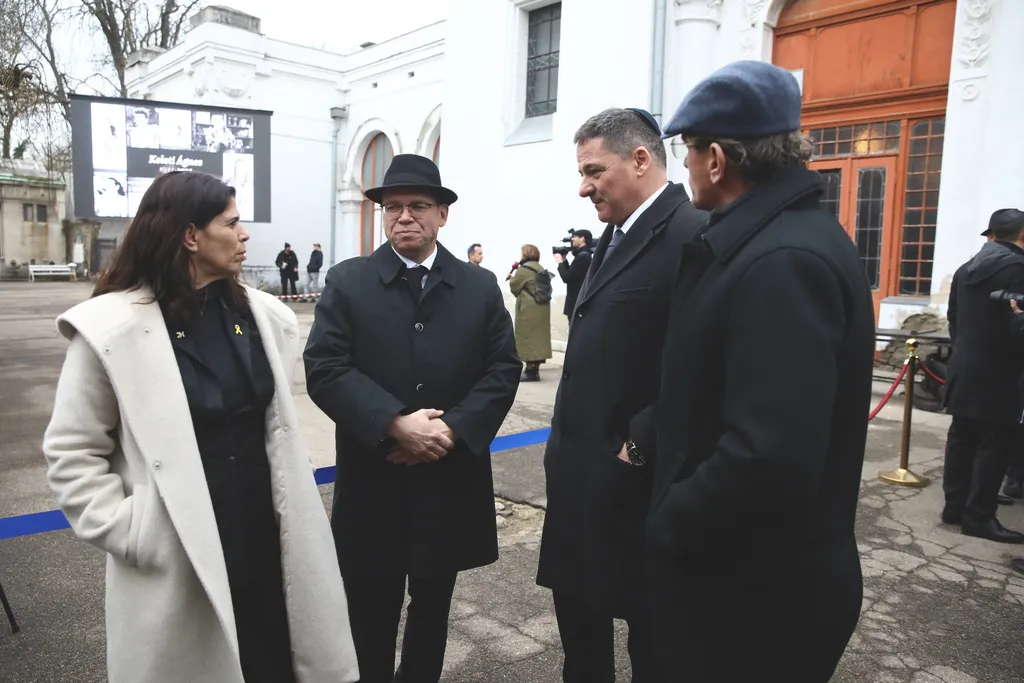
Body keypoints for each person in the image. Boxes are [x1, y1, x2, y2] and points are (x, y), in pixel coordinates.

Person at [41, 171, 358, 683]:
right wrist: (135, 531)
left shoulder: (264, 317)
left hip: (268, 534)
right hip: (180, 547)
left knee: (275, 660)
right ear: (191, 236)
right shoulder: (111, 330)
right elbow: (72, 453)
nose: (245, 234)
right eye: (232, 223)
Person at [641, 61, 876, 681]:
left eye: (688, 152)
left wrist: (670, 519)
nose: (686, 166)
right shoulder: (768, 239)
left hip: (752, 598)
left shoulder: (783, 259)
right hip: (744, 580)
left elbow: (769, 455)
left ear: (716, 159)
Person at [303, 154, 521, 683]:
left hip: (446, 479)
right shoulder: (349, 281)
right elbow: (325, 367)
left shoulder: (478, 285)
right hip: (375, 477)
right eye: (393, 207)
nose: (405, 217)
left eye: (419, 206)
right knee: (368, 614)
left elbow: (502, 369)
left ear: (442, 214)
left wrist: (450, 429)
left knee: (431, 610)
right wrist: (394, 423)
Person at [536, 107, 705, 683]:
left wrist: (638, 445)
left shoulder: (694, 233)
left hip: (638, 485)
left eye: (593, 170)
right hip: (580, 478)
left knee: (652, 643)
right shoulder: (612, 236)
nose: (582, 186)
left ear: (640, 158)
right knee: (581, 642)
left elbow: (706, 364)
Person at [942, 208, 1024, 543]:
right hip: (1001, 370)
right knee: (993, 445)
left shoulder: (966, 269)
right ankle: (978, 516)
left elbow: (954, 317)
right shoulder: (1018, 268)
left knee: (962, 438)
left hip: (965, 365)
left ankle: (955, 506)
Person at [509, 244, 553, 382]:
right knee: (539, 338)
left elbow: (515, 288)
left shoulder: (523, 269)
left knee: (527, 337)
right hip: (543, 307)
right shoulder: (540, 268)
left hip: (529, 309)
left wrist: (511, 278)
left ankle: (529, 371)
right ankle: (535, 371)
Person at [553, 229, 594, 321]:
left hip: (577, 302)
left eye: (574, 237)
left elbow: (566, 278)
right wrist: (564, 260)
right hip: (577, 301)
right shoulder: (584, 255)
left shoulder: (583, 256)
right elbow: (572, 274)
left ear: (582, 238)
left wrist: (560, 262)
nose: (572, 239)